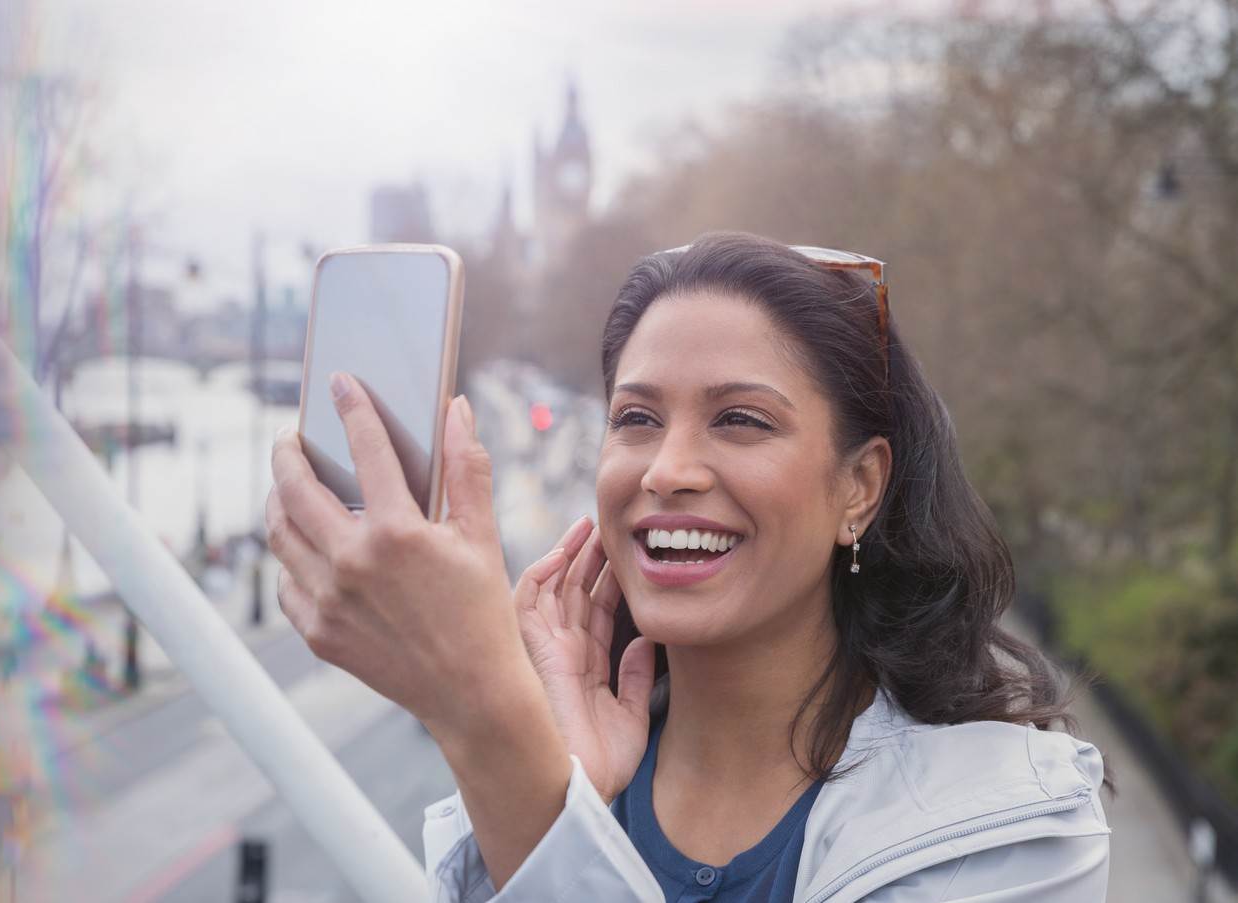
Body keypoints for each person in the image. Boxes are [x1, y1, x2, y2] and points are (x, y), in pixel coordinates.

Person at [266, 231, 1111, 901]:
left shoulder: (1005, 828)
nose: (667, 468)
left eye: (740, 419)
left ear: (860, 486)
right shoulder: (543, 790)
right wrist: (565, 802)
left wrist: (489, 722)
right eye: (636, 417)